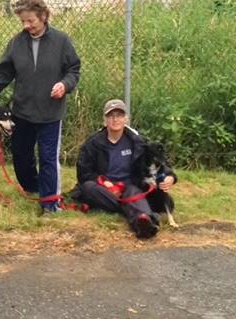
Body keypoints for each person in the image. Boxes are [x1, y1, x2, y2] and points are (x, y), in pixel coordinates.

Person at [0, 0, 81, 214]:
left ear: (43, 16)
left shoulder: (61, 41)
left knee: (48, 157)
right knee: (22, 157)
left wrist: (64, 85)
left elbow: (73, 70)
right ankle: (34, 187)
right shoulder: (16, 43)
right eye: (23, 21)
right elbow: (4, 74)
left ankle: (50, 203)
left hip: (50, 113)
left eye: (30, 20)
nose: (26, 25)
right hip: (22, 112)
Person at [71, 99, 176, 239]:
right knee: (88, 188)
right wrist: (101, 181)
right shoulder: (92, 144)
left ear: (126, 119)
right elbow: (83, 173)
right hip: (103, 190)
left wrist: (170, 176)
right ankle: (134, 210)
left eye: (119, 115)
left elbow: (155, 161)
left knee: (133, 191)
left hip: (130, 187)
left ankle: (145, 223)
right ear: (105, 120)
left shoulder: (137, 142)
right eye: (111, 116)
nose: (115, 119)